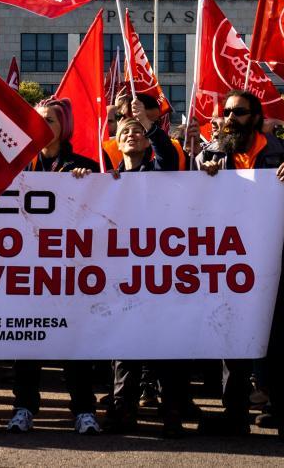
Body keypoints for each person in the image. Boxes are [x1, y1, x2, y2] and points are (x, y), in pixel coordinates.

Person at [197, 90, 284, 443]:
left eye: (240, 112)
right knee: (232, 345)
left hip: (275, 267)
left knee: (280, 345)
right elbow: (190, 205)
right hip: (229, 268)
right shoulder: (212, 154)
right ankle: (235, 416)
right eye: (228, 111)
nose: (232, 117)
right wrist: (203, 177)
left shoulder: (281, 154)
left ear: (257, 116)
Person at [10, 98, 102, 435]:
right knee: (27, 344)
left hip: (69, 274)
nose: (41, 126)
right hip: (27, 273)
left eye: (48, 120)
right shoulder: (18, 167)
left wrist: (88, 181)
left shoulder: (84, 165)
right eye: (36, 120)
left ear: (64, 126)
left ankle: (83, 409)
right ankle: (23, 407)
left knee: (73, 344)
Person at [106, 117, 195, 438]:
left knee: (165, 346)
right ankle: (122, 411)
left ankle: (171, 413)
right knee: (124, 347)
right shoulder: (106, 180)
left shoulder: (159, 170)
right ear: (115, 142)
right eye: (124, 131)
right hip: (122, 278)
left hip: (161, 274)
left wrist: (151, 127)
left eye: (138, 132)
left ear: (147, 143)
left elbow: (168, 157)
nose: (131, 135)